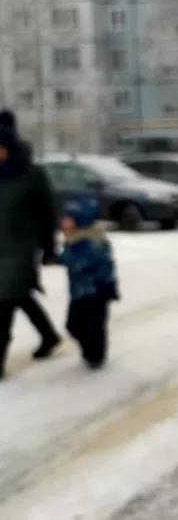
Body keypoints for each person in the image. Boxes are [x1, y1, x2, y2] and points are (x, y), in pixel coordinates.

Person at [0, 109, 62, 363]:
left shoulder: (32, 175)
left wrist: (49, 247)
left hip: (21, 249)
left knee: (4, 302)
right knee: (19, 295)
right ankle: (48, 335)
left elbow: (47, 213)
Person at [60, 197, 118, 369]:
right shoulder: (75, 238)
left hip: (96, 292)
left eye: (68, 218)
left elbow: (83, 262)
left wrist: (60, 258)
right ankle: (90, 349)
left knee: (94, 326)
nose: (63, 221)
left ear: (80, 219)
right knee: (74, 325)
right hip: (80, 292)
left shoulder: (93, 240)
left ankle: (96, 356)